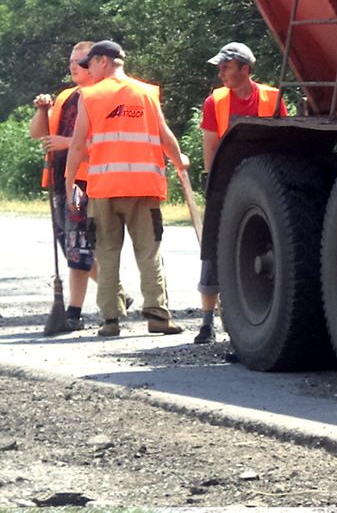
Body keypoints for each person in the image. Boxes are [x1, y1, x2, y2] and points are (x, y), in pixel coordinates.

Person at [63, 40, 190, 337]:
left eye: (90, 64)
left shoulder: (90, 96)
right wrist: (179, 160)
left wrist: (70, 185)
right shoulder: (146, 93)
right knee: (149, 252)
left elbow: (78, 145)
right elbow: (164, 134)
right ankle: (158, 315)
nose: (88, 70)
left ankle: (110, 321)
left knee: (107, 253)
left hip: (104, 190)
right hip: (143, 188)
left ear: (104, 61)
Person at [28, 40, 134, 330]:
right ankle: (117, 291)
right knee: (72, 246)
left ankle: (73, 313)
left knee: (79, 248)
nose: (74, 66)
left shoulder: (103, 98)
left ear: (94, 63)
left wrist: (67, 143)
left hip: (88, 180)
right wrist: (42, 111)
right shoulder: (66, 96)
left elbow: (110, 141)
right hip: (62, 180)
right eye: (71, 61)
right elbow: (38, 133)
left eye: (80, 61)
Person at [195, 42, 284, 344]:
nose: (220, 73)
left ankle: (246, 320)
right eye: (220, 68)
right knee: (213, 253)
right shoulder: (215, 101)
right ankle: (207, 323)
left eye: (226, 67)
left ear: (245, 69)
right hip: (226, 186)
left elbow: (285, 142)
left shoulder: (272, 98)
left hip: (264, 190)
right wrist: (212, 185)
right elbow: (210, 146)